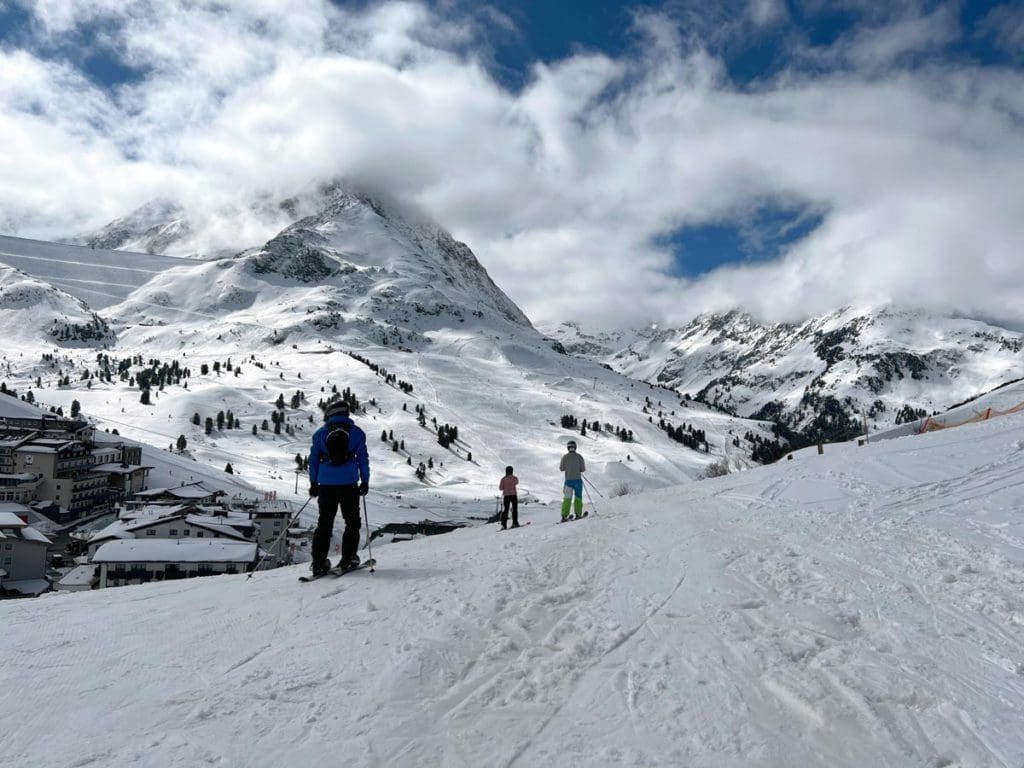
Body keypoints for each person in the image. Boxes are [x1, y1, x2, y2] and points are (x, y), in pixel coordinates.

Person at [308, 399, 370, 576]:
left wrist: (313, 483)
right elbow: (363, 459)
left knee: (324, 524)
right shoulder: (357, 433)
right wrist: (365, 481)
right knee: (352, 522)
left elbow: (313, 461)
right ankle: (348, 558)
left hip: (326, 485)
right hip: (349, 484)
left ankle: (319, 563)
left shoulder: (320, 434)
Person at [559, 440, 586, 521]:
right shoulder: (579, 456)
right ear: (575, 447)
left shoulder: (564, 457)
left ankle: (564, 516)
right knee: (578, 498)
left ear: (568, 448)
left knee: (567, 498)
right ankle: (578, 514)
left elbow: (561, 468)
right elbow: (583, 469)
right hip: (578, 481)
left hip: (568, 481)